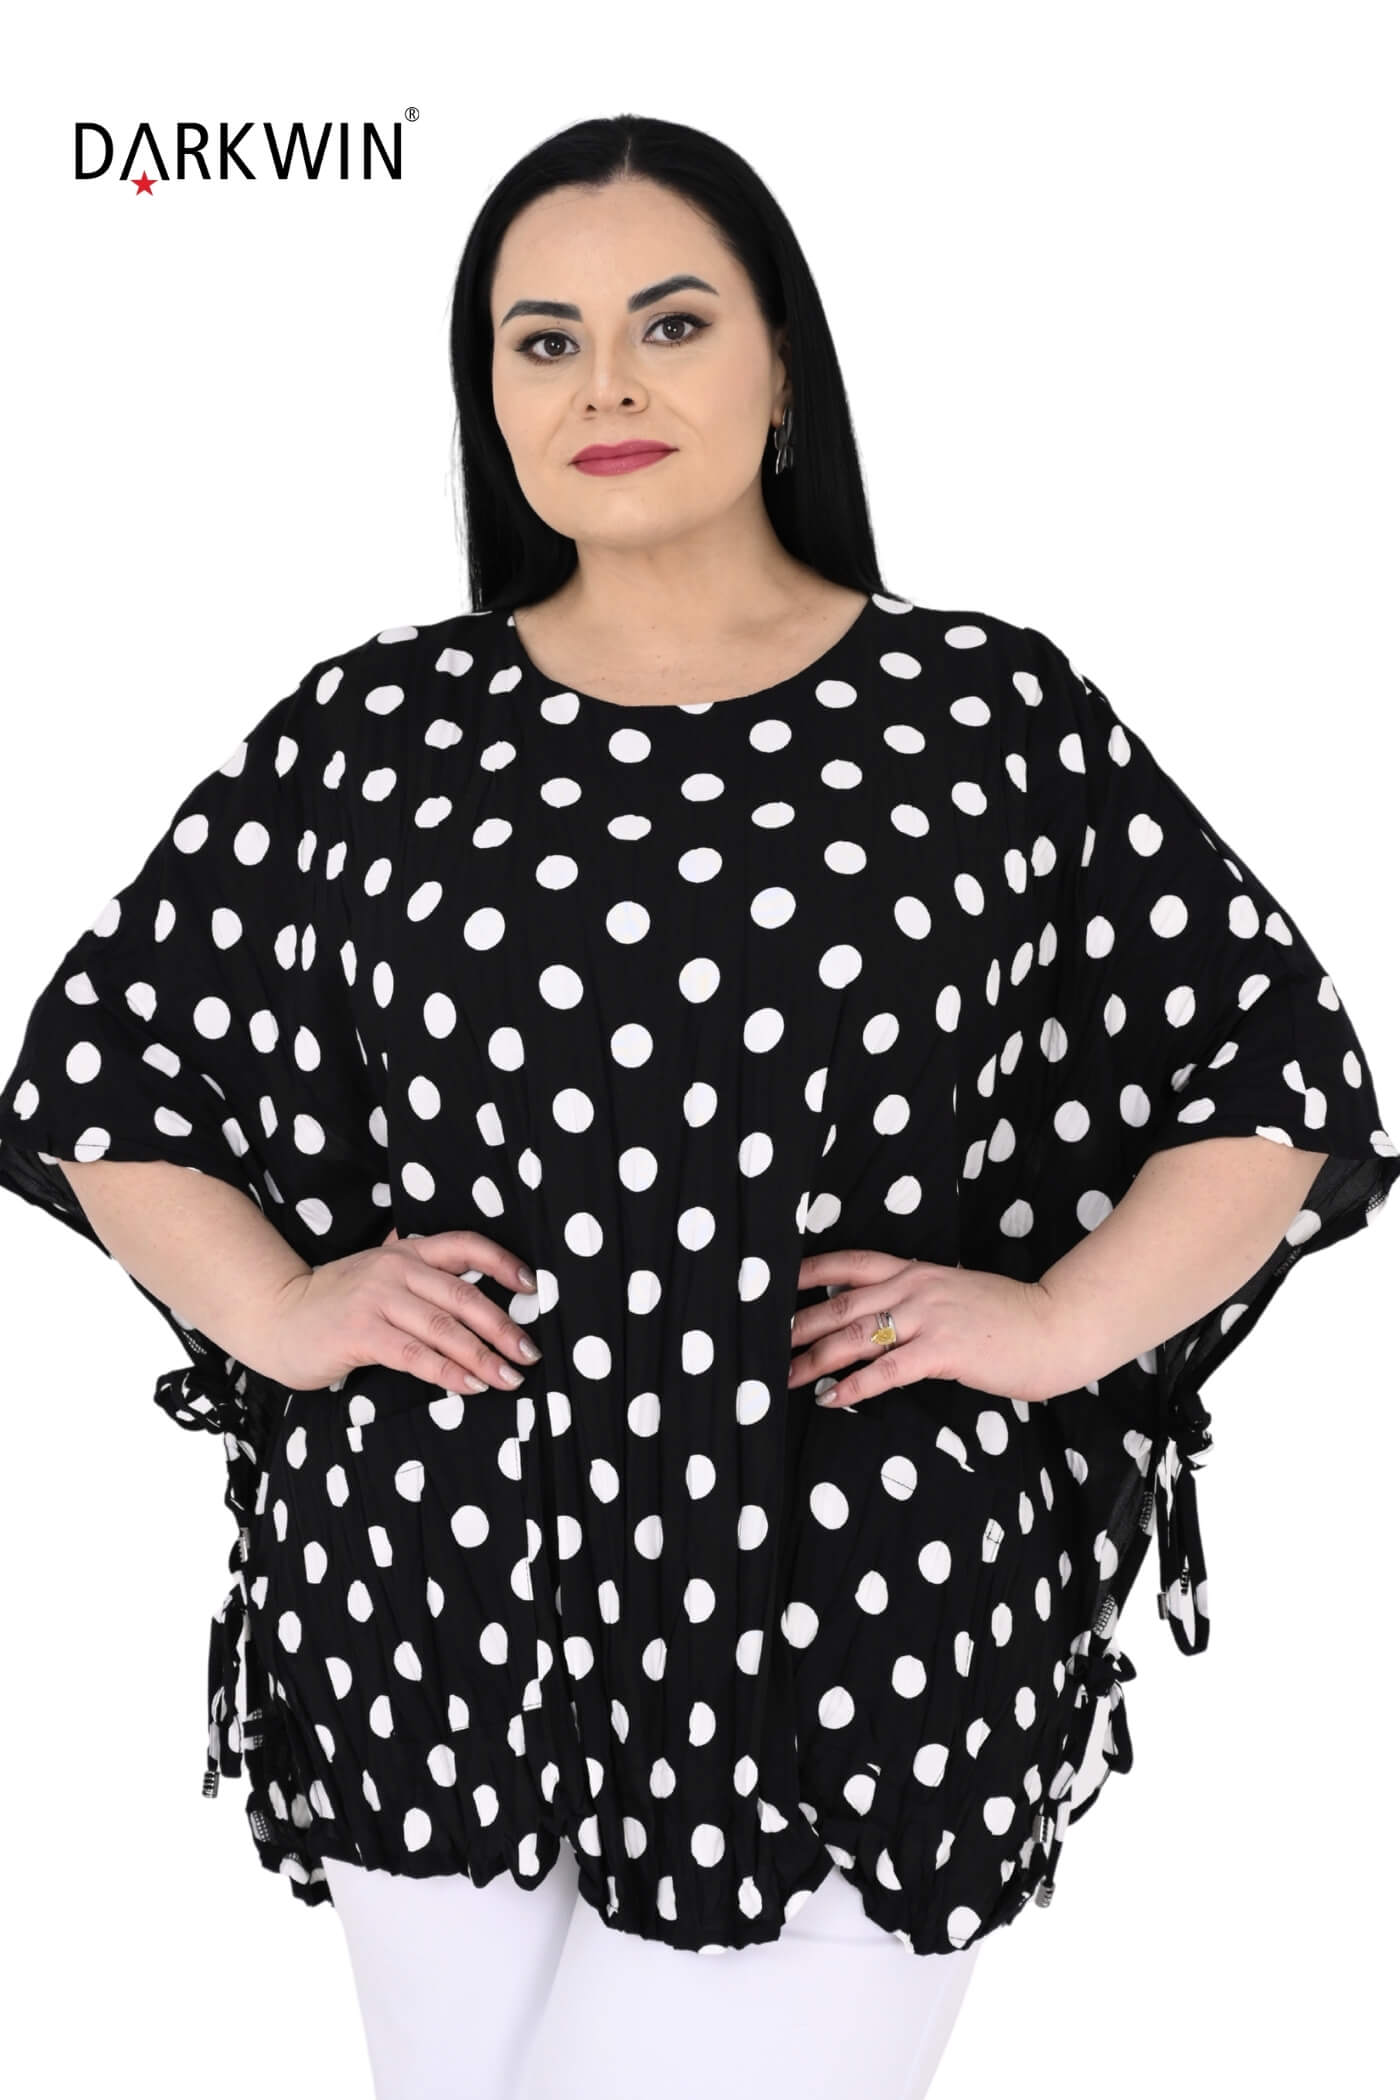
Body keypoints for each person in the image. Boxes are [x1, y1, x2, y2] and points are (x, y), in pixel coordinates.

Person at [0, 113, 1395, 2100]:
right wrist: (281, 1311)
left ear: (782, 365)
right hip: (439, 1592)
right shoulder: (374, 730)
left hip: (853, 1596)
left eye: (669, 323)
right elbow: (109, 1070)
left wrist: (1062, 1324)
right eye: (542, 340)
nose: (608, 385)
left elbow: (1266, 1067)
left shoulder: (980, 718)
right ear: (488, 396)